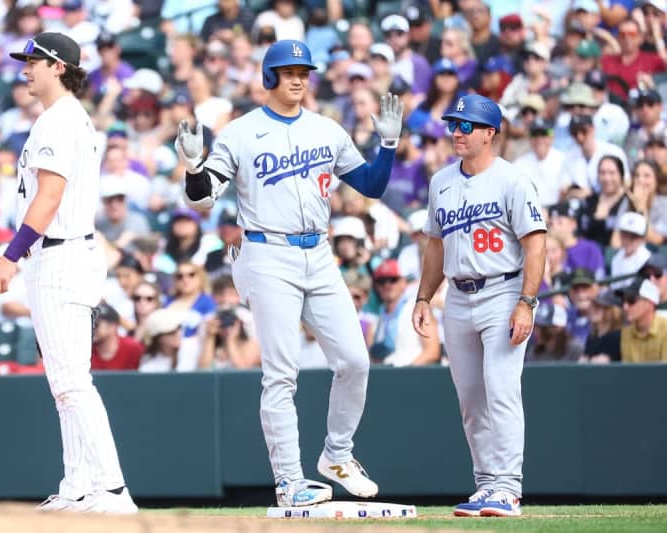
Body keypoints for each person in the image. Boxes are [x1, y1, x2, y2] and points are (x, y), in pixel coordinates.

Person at [176, 39, 402, 507]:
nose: (298, 78)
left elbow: (372, 186)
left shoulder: (326, 129)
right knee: (282, 373)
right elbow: (201, 199)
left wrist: (388, 145)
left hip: (317, 252)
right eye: (288, 71)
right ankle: (288, 481)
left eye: (304, 71)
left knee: (356, 361)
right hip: (265, 251)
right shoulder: (240, 132)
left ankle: (337, 454)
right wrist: (195, 166)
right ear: (269, 77)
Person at [0, 32, 137, 514]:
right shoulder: (61, 118)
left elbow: (47, 199)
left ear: (58, 66)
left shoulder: (60, 120)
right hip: (61, 255)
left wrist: (11, 255)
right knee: (65, 382)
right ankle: (77, 487)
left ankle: (111, 489)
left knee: (72, 381)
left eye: (34, 61)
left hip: (60, 253)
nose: (25, 69)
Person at [412, 94, 547, 517]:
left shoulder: (513, 180)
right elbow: (435, 246)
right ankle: (486, 483)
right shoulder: (441, 182)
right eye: (454, 123)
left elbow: (536, 244)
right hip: (457, 296)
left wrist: (526, 302)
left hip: (503, 291)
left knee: (501, 389)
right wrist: (422, 296)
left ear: (490, 132)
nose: (457, 131)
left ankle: (507, 487)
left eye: (466, 125)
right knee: (471, 397)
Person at [617, 277, 667, 362]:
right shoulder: (626, 332)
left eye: (631, 301)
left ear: (650, 303)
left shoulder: (665, 329)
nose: (625, 307)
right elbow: (628, 372)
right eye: (623, 301)